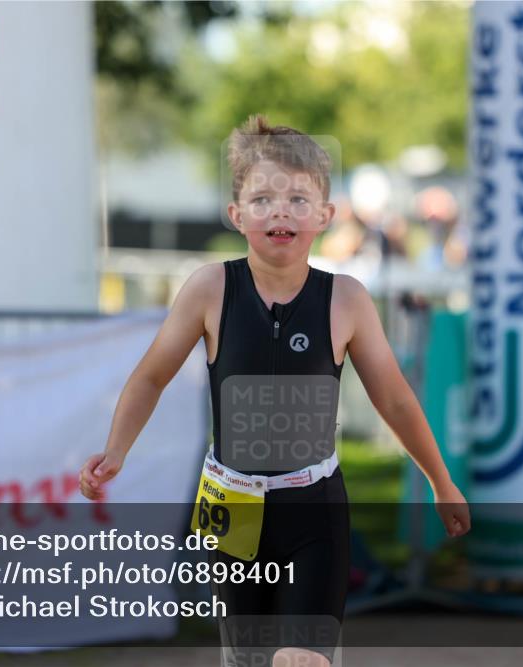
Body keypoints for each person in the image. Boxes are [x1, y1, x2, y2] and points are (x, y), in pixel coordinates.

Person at [79, 114, 471, 667]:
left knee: (301, 660)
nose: (280, 210)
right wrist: (116, 449)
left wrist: (440, 480)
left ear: (325, 216)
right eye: (262, 199)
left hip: (314, 509)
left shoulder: (347, 299)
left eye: (296, 198)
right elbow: (151, 375)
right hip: (231, 510)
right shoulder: (210, 288)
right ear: (237, 215)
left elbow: (397, 400)